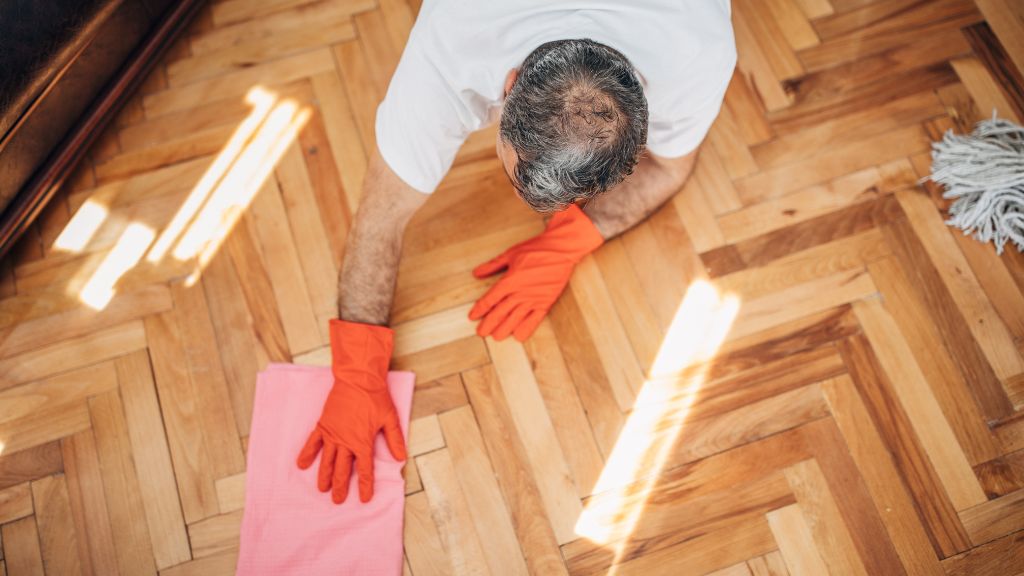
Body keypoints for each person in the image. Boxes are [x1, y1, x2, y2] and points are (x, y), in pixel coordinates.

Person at [296, 0, 737, 504]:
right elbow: (380, 218)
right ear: (508, 87)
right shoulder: (452, 42)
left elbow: (671, 168)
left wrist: (568, 241)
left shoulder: (697, 52)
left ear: (643, 119)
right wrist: (357, 370)